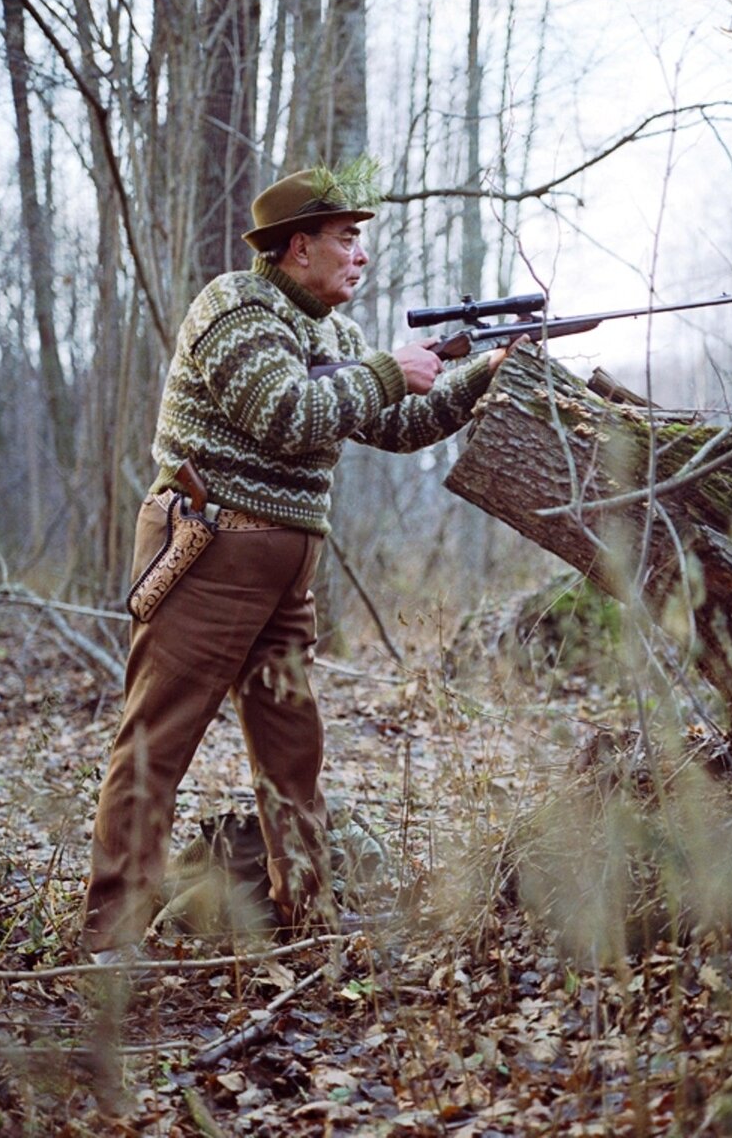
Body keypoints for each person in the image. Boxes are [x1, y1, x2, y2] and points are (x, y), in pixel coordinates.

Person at [82, 161, 504, 961]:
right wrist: (389, 370)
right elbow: (285, 413)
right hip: (211, 555)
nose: (360, 254)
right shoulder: (234, 308)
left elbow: (401, 425)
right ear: (297, 245)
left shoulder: (330, 332)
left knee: (293, 753)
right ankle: (108, 945)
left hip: (282, 572)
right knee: (156, 743)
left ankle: (305, 927)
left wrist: (485, 374)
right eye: (346, 238)